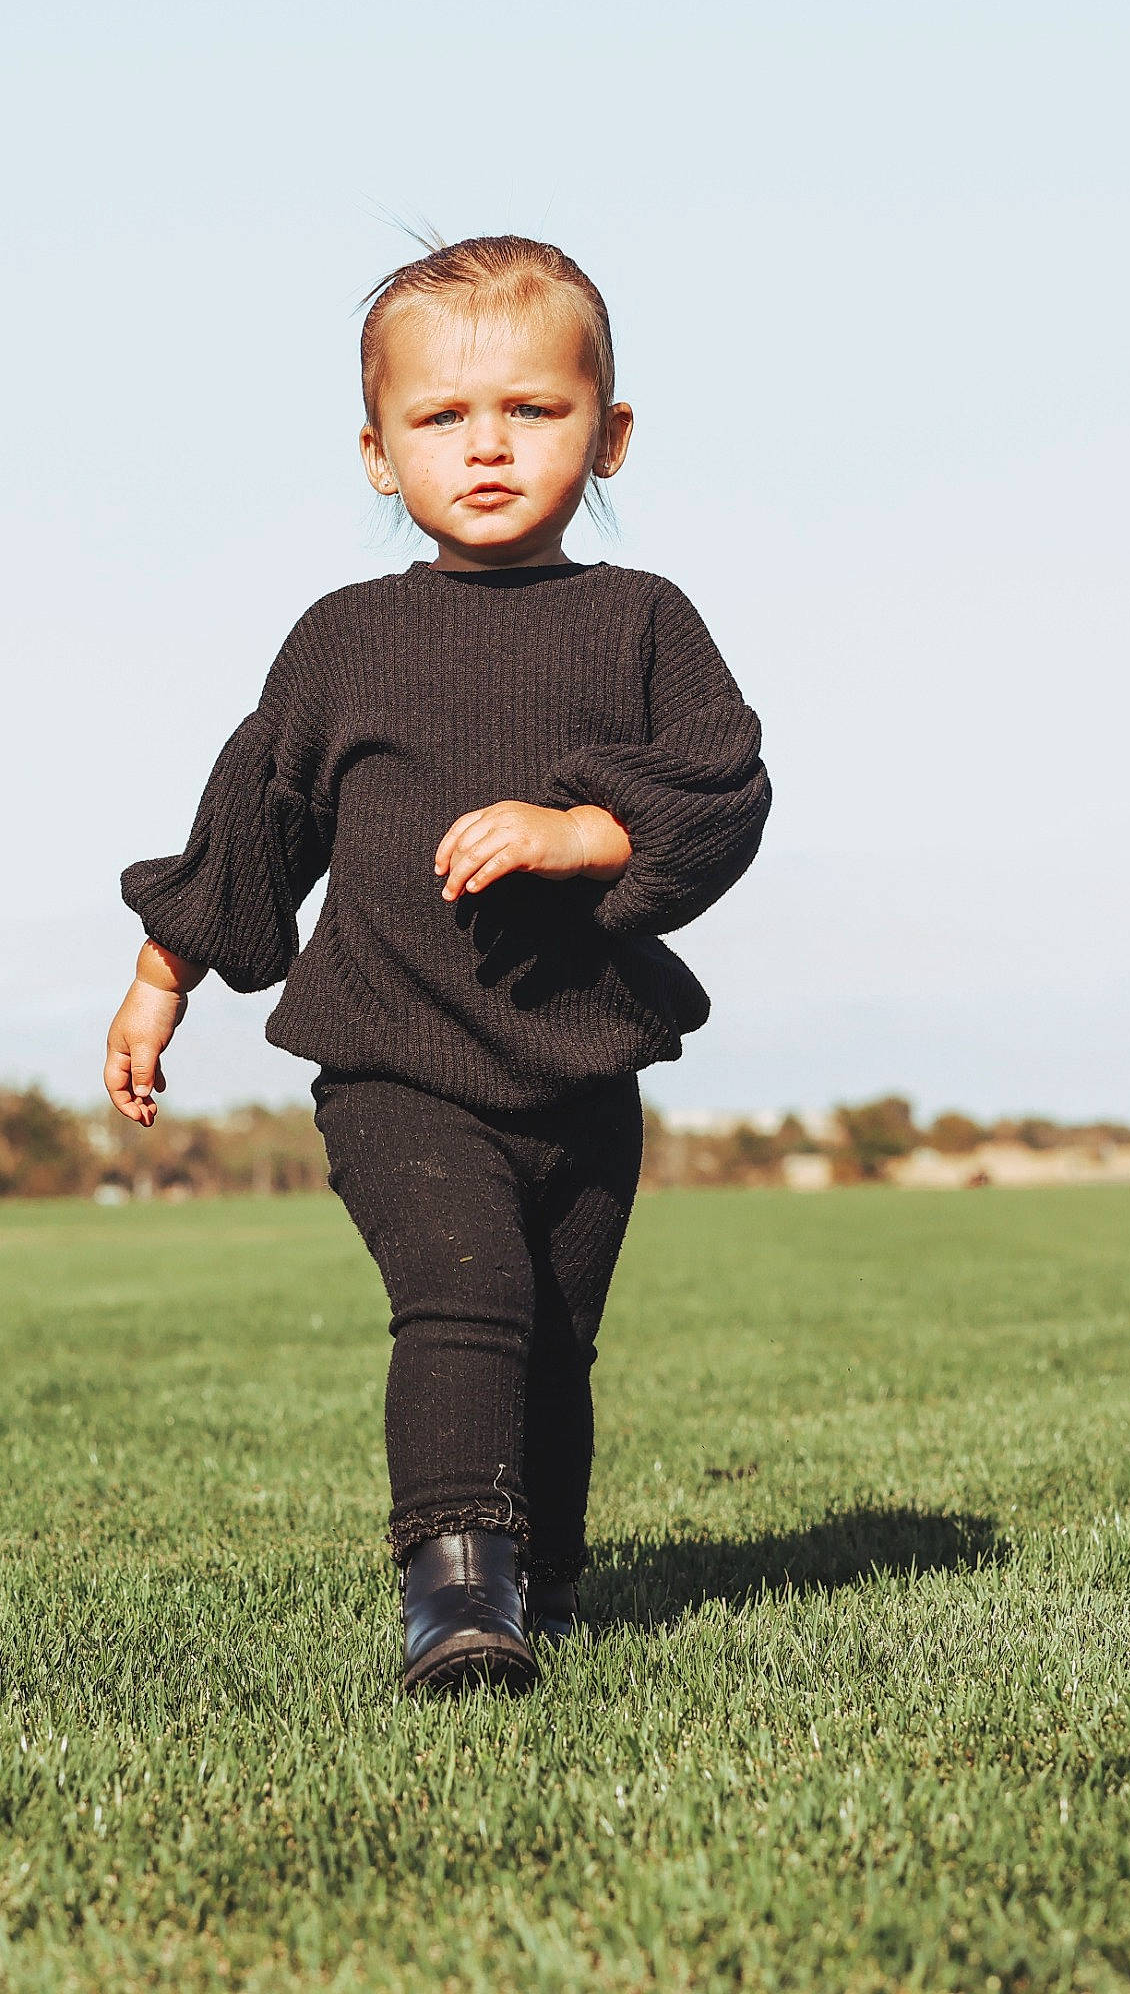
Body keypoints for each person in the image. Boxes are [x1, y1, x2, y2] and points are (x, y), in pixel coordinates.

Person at [104, 233, 772, 1696]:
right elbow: (254, 816)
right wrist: (163, 982)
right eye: (440, 417)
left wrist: (589, 830)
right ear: (374, 449)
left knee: (555, 1335)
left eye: (532, 412)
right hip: (395, 1054)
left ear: (610, 433)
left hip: (579, 1058)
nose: (485, 447)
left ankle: (543, 1564)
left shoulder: (642, 622)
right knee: (465, 1298)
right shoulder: (347, 640)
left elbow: (723, 789)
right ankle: (455, 1588)